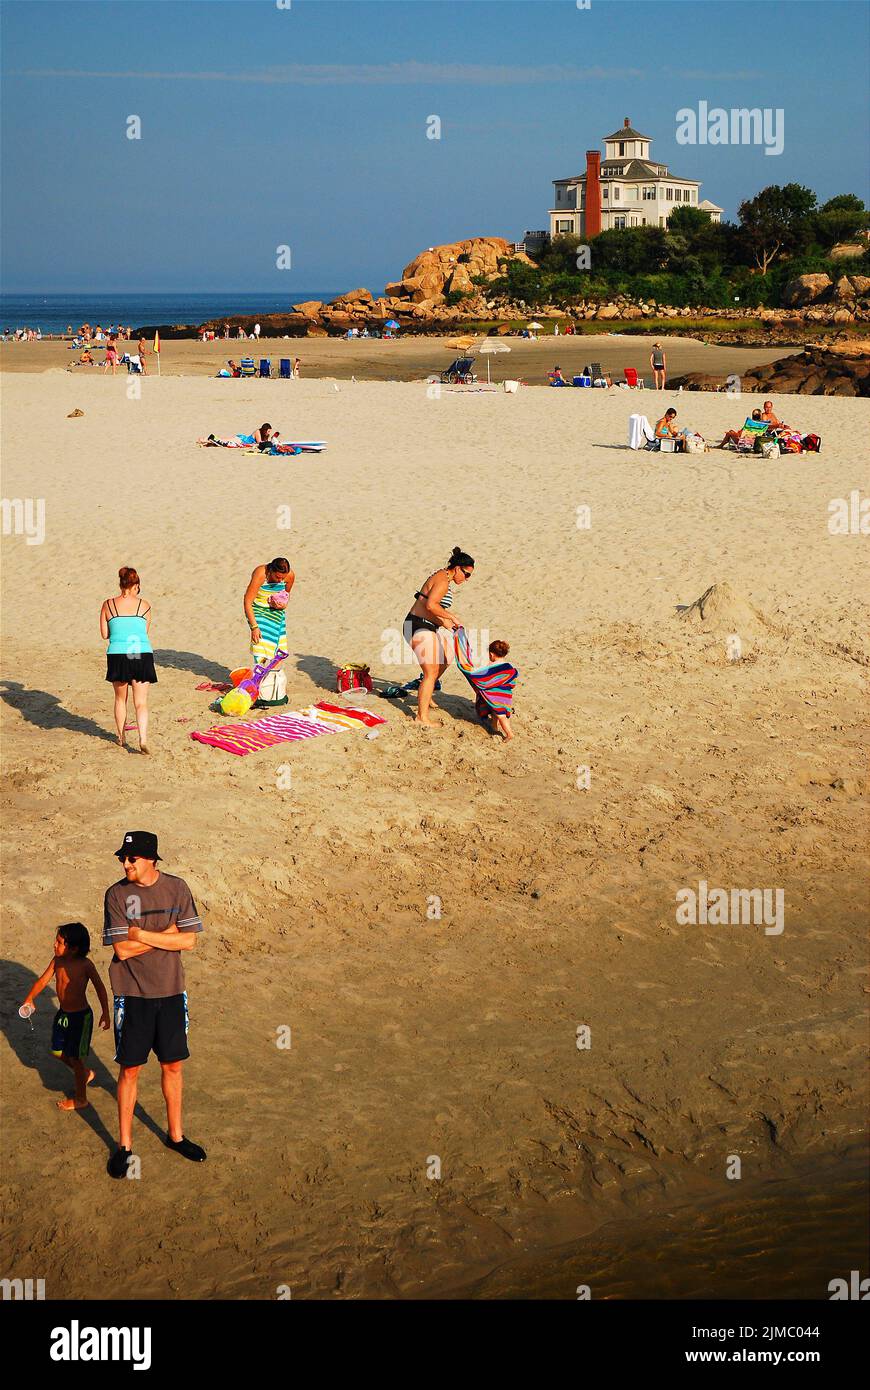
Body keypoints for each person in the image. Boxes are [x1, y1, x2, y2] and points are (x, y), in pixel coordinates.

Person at [103, 831, 206, 1177]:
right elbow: (121, 950)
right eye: (123, 858)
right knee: (130, 1069)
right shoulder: (116, 895)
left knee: (173, 1065)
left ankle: (176, 1136)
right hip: (131, 995)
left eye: (131, 858)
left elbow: (189, 941)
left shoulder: (176, 888)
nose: (125, 863)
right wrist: (168, 937)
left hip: (171, 992)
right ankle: (124, 1146)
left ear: (151, 860)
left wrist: (141, 934)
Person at [20, 922, 110, 1111]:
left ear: (73, 948)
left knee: (76, 1058)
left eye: (59, 942)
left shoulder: (85, 965)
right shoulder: (57, 961)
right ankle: (84, 1073)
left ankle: (81, 1098)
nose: (55, 945)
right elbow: (44, 979)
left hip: (80, 1018)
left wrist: (105, 1012)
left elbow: (100, 987)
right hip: (63, 1014)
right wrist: (30, 998)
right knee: (57, 1051)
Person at [404, 546, 475, 727]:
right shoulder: (443, 580)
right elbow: (431, 606)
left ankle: (426, 695)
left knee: (447, 655)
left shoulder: (444, 578)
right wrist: (451, 616)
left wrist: (449, 625)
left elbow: (434, 610)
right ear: (457, 568)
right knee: (431, 672)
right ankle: (422, 717)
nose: (467, 579)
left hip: (427, 625)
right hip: (416, 625)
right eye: (466, 574)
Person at [100, 566, 157, 752]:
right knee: (141, 702)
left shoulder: (108, 604)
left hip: (118, 653)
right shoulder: (145, 605)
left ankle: (121, 737)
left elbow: (104, 633)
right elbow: (144, 631)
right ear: (136, 586)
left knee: (120, 699)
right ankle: (143, 739)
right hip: (140, 652)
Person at [244, 556, 295, 664]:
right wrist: (254, 627)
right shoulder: (260, 574)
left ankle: (270, 672)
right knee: (260, 640)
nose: (280, 581)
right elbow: (247, 601)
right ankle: (259, 669)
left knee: (275, 644)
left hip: (276, 610)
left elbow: (286, 594)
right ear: (271, 570)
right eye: (277, 577)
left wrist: (283, 605)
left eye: (282, 578)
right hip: (257, 608)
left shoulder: (290, 576)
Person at [481, 639, 514, 742]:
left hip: (496, 696)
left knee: (501, 716)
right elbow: (513, 683)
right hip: (506, 695)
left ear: (491, 654)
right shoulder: (508, 666)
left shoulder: (490, 666)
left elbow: (484, 680)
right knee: (496, 712)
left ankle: (509, 734)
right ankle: (494, 727)